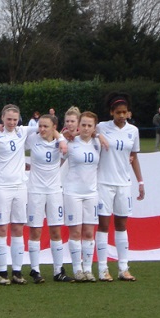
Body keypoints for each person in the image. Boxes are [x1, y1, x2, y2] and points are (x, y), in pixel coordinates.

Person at [0, 104, 66, 285]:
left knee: (17, 229)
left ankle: (17, 271)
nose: (12, 123)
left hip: (21, 187)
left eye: (15, 119)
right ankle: (1, 272)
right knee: (1, 229)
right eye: (8, 119)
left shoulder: (23, 131)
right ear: (3, 119)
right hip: (0, 187)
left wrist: (61, 139)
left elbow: (49, 128)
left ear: (19, 119)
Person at [95, 92, 144, 282]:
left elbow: (134, 157)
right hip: (104, 183)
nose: (122, 115)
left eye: (124, 112)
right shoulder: (102, 127)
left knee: (122, 225)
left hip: (124, 183)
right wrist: (98, 135)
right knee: (103, 226)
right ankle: (102, 269)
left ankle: (123, 268)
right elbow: (86, 129)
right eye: (118, 112)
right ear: (111, 112)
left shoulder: (133, 131)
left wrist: (140, 182)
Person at [25, 114, 71, 284]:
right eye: (40, 126)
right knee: (35, 230)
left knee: (55, 230)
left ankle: (58, 270)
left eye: (46, 126)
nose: (42, 129)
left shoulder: (60, 142)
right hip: (35, 191)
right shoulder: (33, 139)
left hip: (54, 191)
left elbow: (66, 150)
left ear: (54, 127)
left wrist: (61, 139)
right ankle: (35, 270)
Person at [63, 111, 101, 282]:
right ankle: (77, 269)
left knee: (88, 232)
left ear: (94, 127)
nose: (86, 128)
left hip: (91, 193)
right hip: (73, 193)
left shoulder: (98, 143)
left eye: (89, 125)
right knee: (75, 232)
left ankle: (88, 268)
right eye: (83, 125)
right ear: (79, 125)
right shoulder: (70, 142)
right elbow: (56, 159)